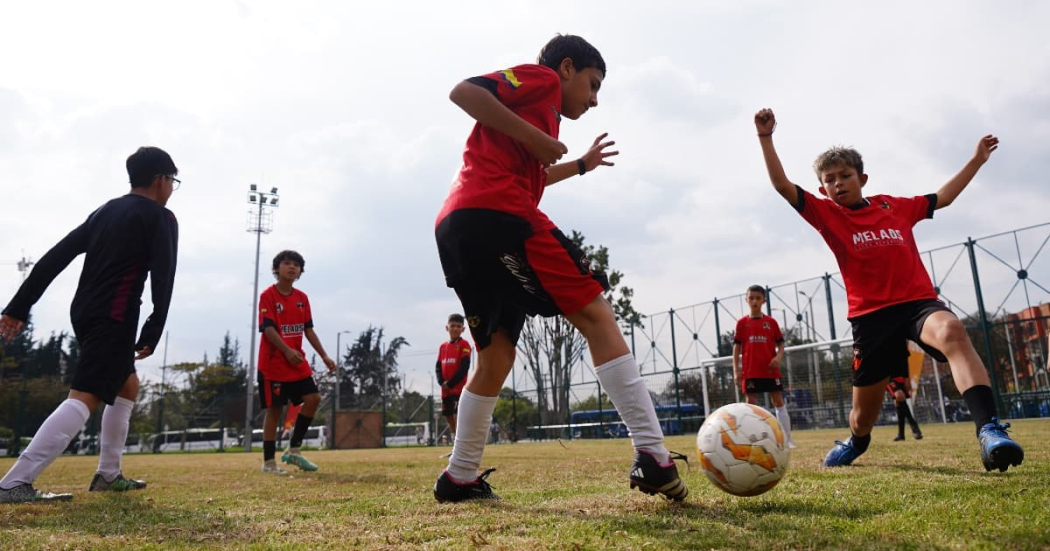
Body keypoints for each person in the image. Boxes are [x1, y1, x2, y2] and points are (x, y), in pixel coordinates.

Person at [433, 34, 687, 502]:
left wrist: (581, 165)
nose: (593, 100)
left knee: (495, 357)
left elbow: (535, 171)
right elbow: (464, 92)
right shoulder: (542, 79)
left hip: (459, 226)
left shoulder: (535, 115)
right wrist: (534, 135)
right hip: (497, 214)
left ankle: (459, 477)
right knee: (595, 311)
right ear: (567, 68)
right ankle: (653, 455)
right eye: (592, 85)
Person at [754, 108, 1023, 472]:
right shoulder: (827, 214)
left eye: (845, 175)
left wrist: (976, 160)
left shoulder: (893, 207)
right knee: (862, 417)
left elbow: (942, 198)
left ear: (862, 177)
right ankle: (856, 442)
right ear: (822, 189)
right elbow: (783, 186)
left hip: (917, 305)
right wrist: (766, 138)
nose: (838, 183)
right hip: (871, 320)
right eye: (829, 180)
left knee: (952, 330)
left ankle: (990, 431)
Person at [0, 147, 180, 503]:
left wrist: (20, 305)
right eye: (173, 181)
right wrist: (155, 325)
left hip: (85, 310)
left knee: (126, 385)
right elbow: (164, 276)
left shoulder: (105, 211)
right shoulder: (161, 217)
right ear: (161, 179)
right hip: (115, 314)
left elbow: (55, 256)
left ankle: (108, 475)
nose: (172, 189)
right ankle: (14, 482)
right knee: (87, 394)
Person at [256, 250, 337, 474]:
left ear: (301, 271)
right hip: (273, 364)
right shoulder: (267, 296)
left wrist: (324, 356)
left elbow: (308, 329)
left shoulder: (302, 298)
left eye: (297, 265)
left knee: (313, 398)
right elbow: (268, 328)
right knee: (275, 409)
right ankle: (269, 463)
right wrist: (286, 349)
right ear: (277, 268)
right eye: (287, 263)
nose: (292, 267)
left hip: (296, 362)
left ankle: (293, 450)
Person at [733, 285, 795, 448]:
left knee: (778, 401)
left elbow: (781, 344)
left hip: (770, 370)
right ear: (746, 300)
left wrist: (778, 357)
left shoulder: (771, 322)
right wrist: (736, 370)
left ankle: (786, 440)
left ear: (764, 301)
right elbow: (736, 348)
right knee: (751, 404)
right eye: (751, 298)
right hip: (751, 370)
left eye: (758, 298)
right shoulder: (741, 323)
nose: (754, 301)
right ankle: (754, 440)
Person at [435, 313, 472, 441]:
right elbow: (438, 366)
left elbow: (464, 367)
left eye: (458, 326)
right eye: (452, 326)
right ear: (447, 328)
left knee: (459, 415)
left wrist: (451, 383)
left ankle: (461, 442)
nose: (455, 328)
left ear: (463, 329)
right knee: (448, 414)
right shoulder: (443, 347)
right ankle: (454, 439)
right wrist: (442, 382)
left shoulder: (464, 344)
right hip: (445, 390)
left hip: (458, 388)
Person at [887, 371, 922, 441]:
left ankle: (901, 434)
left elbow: (905, 363)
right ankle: (915, 427)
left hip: (901, 378)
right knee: (900, 396)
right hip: (889, 378)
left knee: (898, 402)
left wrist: (907, 379)